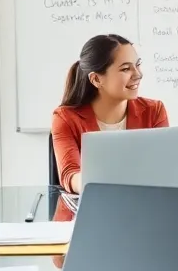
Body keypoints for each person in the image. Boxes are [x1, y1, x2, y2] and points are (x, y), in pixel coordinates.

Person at [51, 34, 168, 193]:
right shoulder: (65, 118)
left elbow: (164, 172)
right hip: (95, 206)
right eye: (126, 68)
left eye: (137, 65)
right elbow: (70, 175)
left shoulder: (154, 111)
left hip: (144, 205)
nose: (138, 74)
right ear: (96, 80)